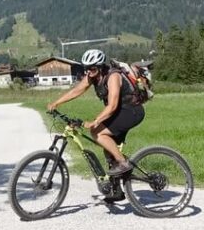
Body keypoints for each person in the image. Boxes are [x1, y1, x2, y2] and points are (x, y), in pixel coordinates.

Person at [46, 48, 144, 177]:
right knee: (108, 150)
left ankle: (123, 163)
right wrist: (56, 103)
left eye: (92, 69)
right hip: (120, 111)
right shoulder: (92, 76)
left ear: (100, 66)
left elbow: (113, 105)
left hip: (131, 111)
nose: (88, 72)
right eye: (86, 69)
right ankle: (116, 190)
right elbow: (77, 90)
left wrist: (95, 121)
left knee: (97, 133)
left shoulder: (113, 76)